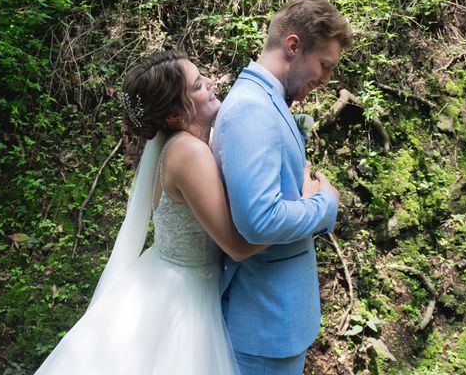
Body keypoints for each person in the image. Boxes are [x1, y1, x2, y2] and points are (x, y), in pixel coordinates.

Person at [34, 50, 323, 374]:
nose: (212, 84)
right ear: (174, 114)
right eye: (198, 85)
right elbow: (239, 246)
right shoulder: (188, 153)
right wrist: (307, 207)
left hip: (170, 278)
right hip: (182, 298)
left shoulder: (187, 145)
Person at [212, 0, 353, 375]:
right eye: (324, 65)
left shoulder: (267, 101)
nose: (326, 79)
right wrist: (325, 205)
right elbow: (259, 220)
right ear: (293, 46)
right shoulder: (251, 110)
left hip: (278, 321)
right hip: (263, 326)